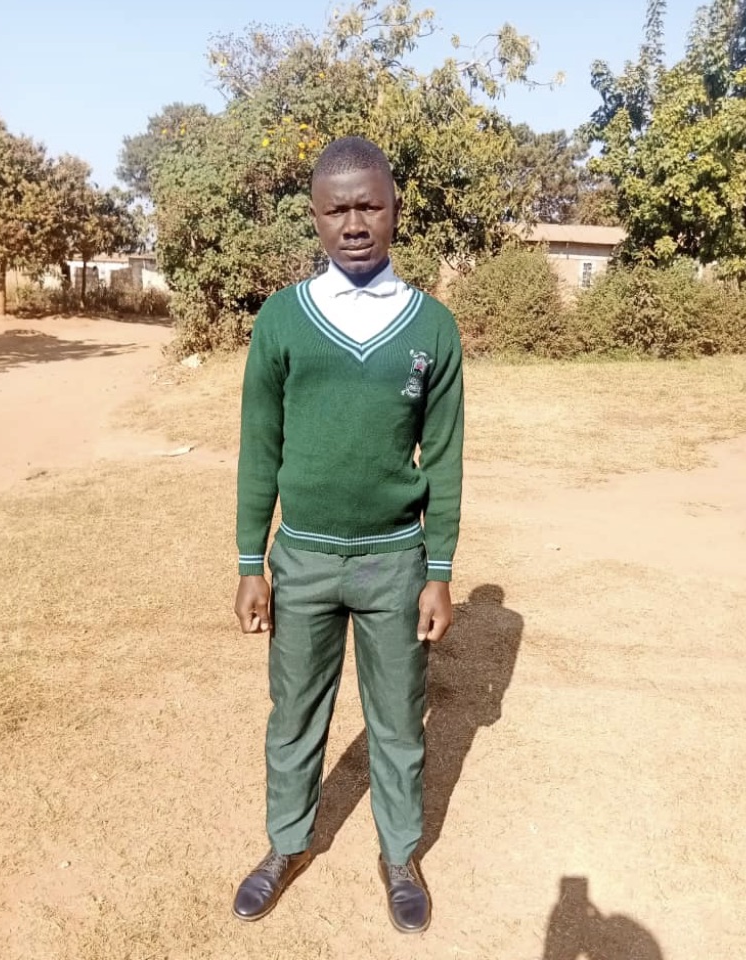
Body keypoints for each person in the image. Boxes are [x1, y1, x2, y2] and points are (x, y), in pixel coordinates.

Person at [232, 135, 464, 934]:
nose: (355, 224)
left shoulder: (432, 327)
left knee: (398, 720)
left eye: (371, 206)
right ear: (316, 217)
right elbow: (260, 445)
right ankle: (286, 845)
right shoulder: (282, 320)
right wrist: (251, 560)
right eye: (339, 210)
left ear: (396, 208)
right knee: (294, 714)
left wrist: (439, 571)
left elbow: (445, 456)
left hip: (394, 562)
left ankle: (399, 854)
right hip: (302, 558)